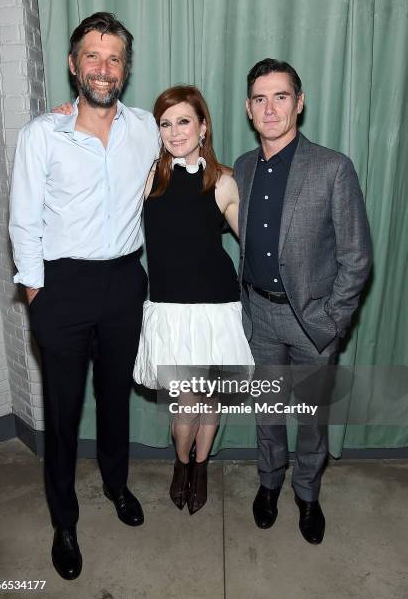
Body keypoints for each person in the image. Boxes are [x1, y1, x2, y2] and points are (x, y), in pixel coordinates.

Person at [9, 12, 159, 580]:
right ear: (73, 65)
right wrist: (35, 292)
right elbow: (23, 221)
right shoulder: (41, 134)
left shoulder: (145, 129)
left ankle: (118, 486)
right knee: (64, 411)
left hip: (124, 281)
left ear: (126, 68)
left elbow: (188, 163)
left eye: (114, 57)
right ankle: (64, 519)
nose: (103, 68)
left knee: (116, 398)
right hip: (61, 287)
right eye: (92, 56)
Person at [234, 59, 372, 544]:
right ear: (249, 109)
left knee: (313, 419)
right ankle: (269, 484)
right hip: (259, 316)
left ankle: (307, 493)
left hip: (313, 320)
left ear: (300, 101)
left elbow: (357, 257)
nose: (270, 108)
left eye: (280, 96)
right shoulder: (245, 167)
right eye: (259, 98)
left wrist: (333, 320)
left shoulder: (332, 167)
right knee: (267, 412)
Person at [133, 85, 254, 514]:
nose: (174, 131)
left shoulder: (222, 180)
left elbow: (255, 240)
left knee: (210, 400)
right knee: (187, 402)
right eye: (165, 123)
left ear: (202, 126)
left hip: (218, 308)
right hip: (171, 310)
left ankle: (201, 467)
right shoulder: (148, 178)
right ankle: (181, 463)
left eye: (183, 121)